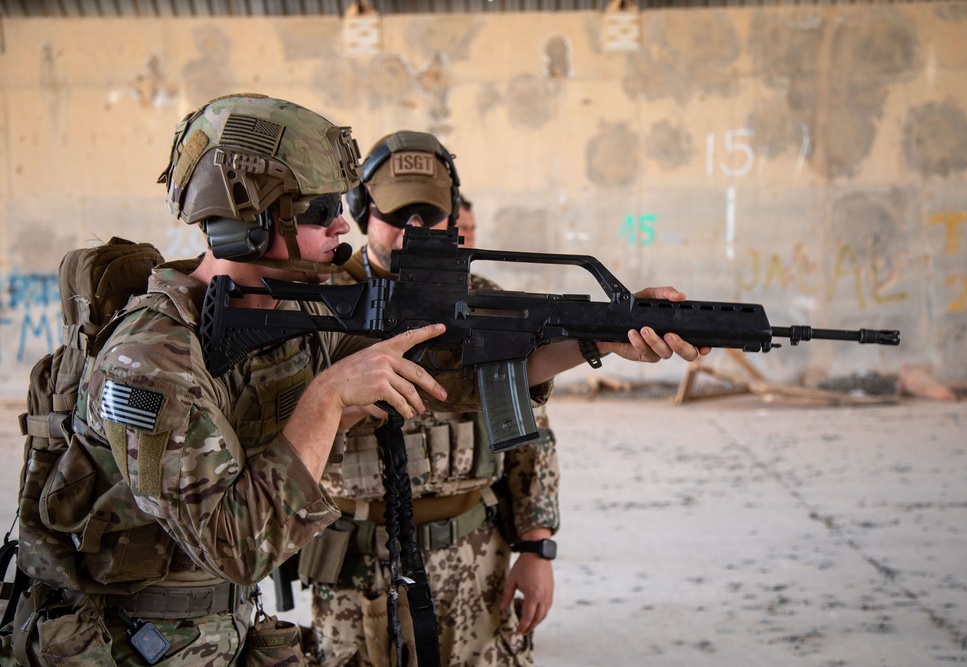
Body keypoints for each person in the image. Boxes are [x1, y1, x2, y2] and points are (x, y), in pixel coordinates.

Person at [5, 94, 458, 666]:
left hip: (221, 631)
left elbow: (437, 360)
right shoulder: (149, 360)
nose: (344, 223)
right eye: (321, 209)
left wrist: (581, 339)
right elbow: (236, 545)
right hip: (131, 643)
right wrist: (327, 397)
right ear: (249, 219)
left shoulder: (290, 317)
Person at [304, 131, 706, 666]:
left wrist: (537, 546)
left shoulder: (484, 302)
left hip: (476, 558)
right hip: (356, 564)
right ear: (361, 211)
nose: (415, 230)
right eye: (399, 215)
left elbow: (528, 440)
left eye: (432, 214)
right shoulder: (318, 305)